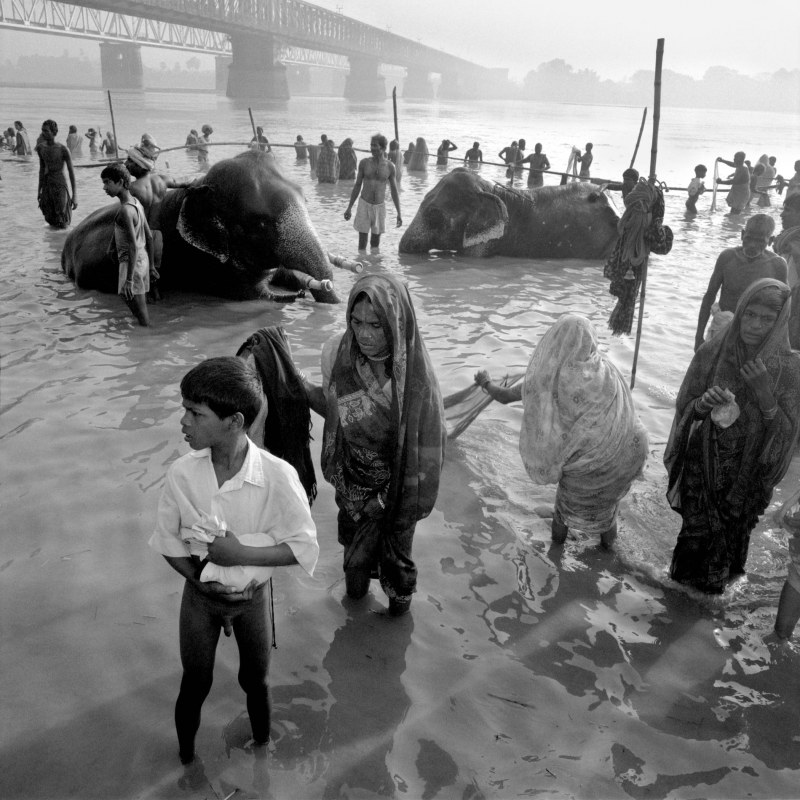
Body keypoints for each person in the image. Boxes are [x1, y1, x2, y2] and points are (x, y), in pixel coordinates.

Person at [148, 356, 319, 764]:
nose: (183, 421)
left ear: (234, 421)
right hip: (200, 599)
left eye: (195, 412)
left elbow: (303, 547)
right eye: (184, 408)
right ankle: (186, 762)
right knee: (195, 682)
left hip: (253, 600)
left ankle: (262, 749)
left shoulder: (278, 476)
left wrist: (239, 554)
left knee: (255, 681)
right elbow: (168, 541)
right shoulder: (182, 474)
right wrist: (200, 580)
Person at [302, 273, 445, 615]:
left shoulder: (415, 378)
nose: (363, 333)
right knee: (354, 569)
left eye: (375, 325)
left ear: (395, 321)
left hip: (398, 492)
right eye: (356, 321)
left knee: (397, 573)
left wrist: (386, 498)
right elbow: (334, 412)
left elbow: (428, 452)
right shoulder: (337, 353)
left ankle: (395, 626)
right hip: (353, 485)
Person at [665, 278, 800, 594]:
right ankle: (674, 605)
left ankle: (712, 612)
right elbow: (685, 403)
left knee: (729, 546)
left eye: (766, 319)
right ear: (740, 312)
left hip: (747, 476)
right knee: (693, 539)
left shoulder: (790, 368)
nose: (754, 325)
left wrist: (765, 393)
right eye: (750, 314)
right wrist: (701, 403)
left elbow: (789, 436)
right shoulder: (714, 351)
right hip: (704, 467)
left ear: (780, 321)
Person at [474, 314, 648, 549]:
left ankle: (555, 556)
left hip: (594, 460)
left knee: (562, 512)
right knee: (608, 510)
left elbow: (505, 397)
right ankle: (609, 554)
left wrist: (485, 382)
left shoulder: (552, 377)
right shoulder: (605, 367)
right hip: (631, 450)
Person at [694, 214, 787, 350]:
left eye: (760, 241)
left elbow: (784, 307)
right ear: (742, 234)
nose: (752, 245)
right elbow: (709, 296)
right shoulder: (727, 257)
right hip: (723, 328)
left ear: (770, 241)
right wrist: (698, 337)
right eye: (749, 238)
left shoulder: (778, 265)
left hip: (756, 333)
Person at [101, 163, 155, 327]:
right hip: (141, 261)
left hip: (131, 263)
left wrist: (130, 279)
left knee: (142, 316)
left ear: (121, 182)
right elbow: (149, 236)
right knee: (135, 307)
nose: (104, 187)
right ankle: (141, 338)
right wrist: (151, 266)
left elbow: (132, 245)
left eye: (107, 182)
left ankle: (149, 341)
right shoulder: (136, 203)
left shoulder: (125, 210)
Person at [343, 133, 402, 252]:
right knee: (362, 240)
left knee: (375, 242)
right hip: (364, 204)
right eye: (371, 145)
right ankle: (363, 266)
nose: (372, 148)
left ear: (383, 148)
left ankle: (374, 268)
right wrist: (349, 207)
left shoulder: (390, 167)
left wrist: (399, 213)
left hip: (379, 207)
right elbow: (358, 185)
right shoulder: (364, 163)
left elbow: (394, 190)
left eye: (375, 145)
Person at [35, 120, 77, 229]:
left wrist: (75, 195)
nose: (44, 133)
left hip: (60, 185)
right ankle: (53, 244)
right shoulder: (41, 148)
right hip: (47, 185)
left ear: (54, 132)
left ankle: (64, 242)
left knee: (63, 219)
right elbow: (41, 170)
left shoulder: (63, 149)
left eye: (46, 131)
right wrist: (39, 190)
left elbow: (71, 173)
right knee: (50, 218)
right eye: (42, 130)